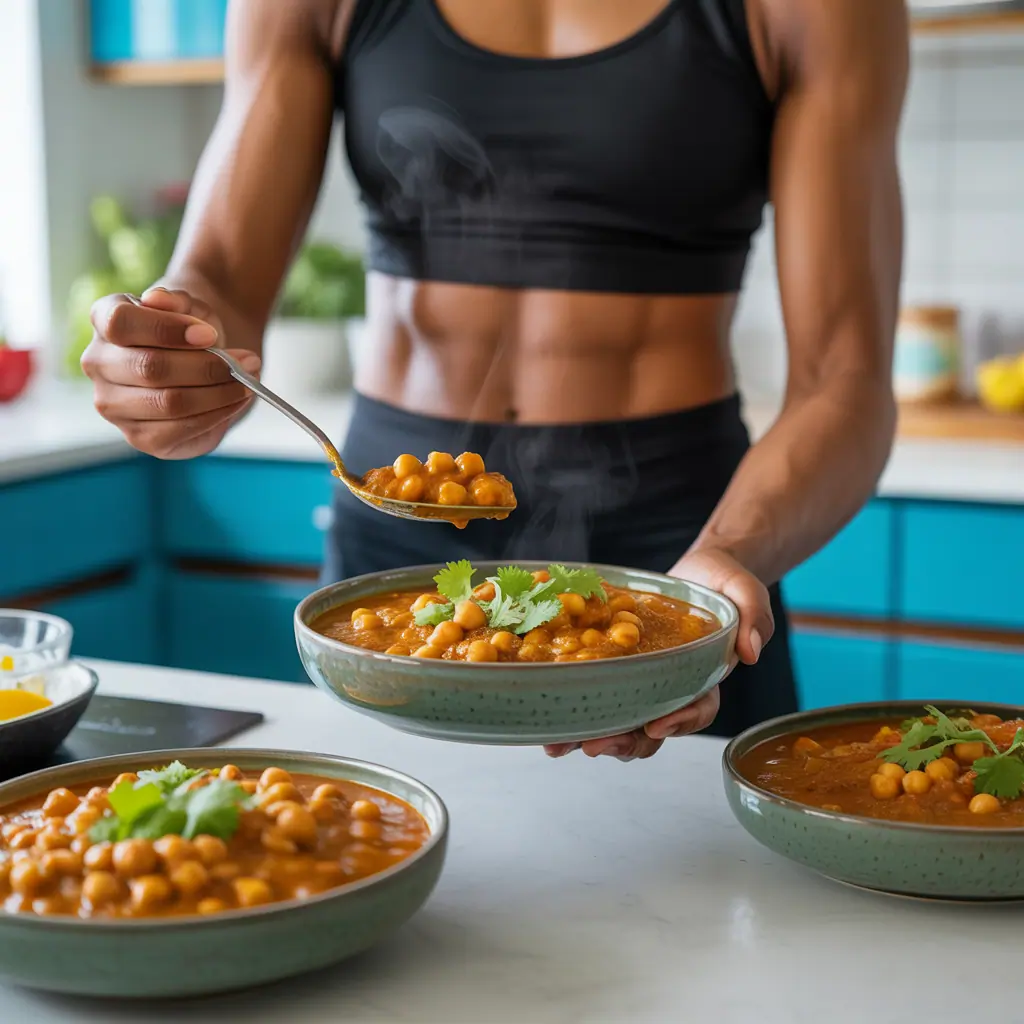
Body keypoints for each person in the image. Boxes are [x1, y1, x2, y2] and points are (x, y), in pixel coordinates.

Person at [81, 0, 909, 759]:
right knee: (373, 861)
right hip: (395, 536)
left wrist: (727, 557)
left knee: (712, 907)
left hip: (685, 543)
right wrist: (172, 355)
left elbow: (848, 380)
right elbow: (218, 277)